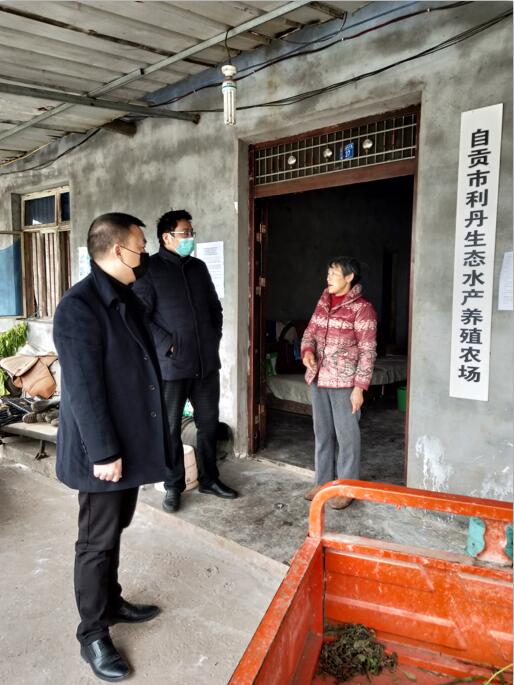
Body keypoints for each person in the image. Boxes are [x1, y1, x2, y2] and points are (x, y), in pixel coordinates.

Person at [53, 212, 171, 681]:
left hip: (128, 443)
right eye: (141, 247)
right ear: (118, 251)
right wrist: (103, 453)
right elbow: (83, 390)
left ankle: (112, 601)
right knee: (96, 542)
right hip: (102, 452)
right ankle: (92, 633)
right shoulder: (79, 307)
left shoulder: (124, 295)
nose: (145, 255)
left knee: (116, 528)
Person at [133, 209, 238, 513]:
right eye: (185, 233)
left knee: (208, 424)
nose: (191, 237)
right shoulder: (149, 270)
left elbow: (215, 308)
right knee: (169, 428)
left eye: (191, 232)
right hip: (172, 367)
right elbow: (141, 317)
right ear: (167, 237)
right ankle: (173, 485)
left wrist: (213, 337)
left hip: (206, 364)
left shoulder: (198, 268)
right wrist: (169, 345)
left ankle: (209, 479)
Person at [301, 257, 377, 509]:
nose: (328, 278)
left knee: (347, 437)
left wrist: (359, 388)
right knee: (322, 433)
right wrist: (307, 352)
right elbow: (309, 332)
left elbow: (368, 351)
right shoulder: (323, 302)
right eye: (328, 273)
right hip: (319, 379)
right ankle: (323, 483)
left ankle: (347, 487)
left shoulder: (362, 309)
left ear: (349, 277)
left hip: (345, 382)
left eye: (334, 274)